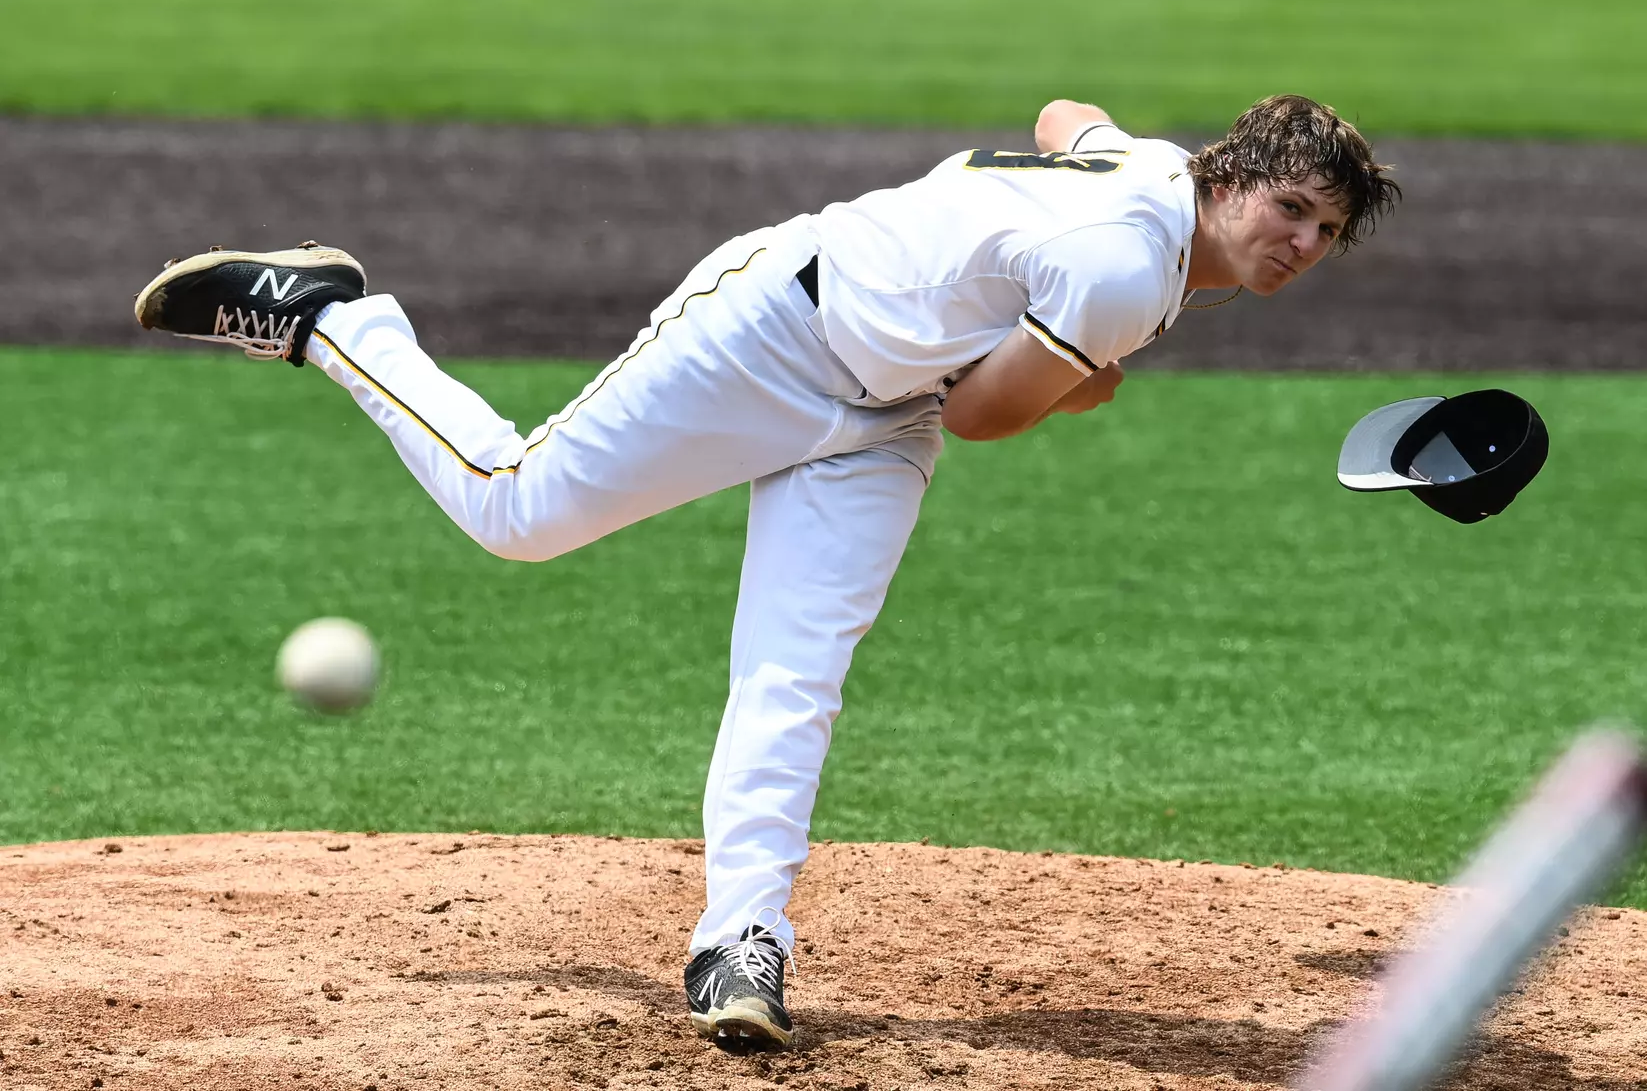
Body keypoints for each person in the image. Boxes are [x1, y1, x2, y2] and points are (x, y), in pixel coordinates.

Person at [134, 93, 1399, 1049]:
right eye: (1288, 209)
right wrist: (1089, 374)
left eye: (1326, 231)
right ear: (1231, 177)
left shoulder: (1147, 171)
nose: (1299, 242)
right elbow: (990, 417)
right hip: (767, 332)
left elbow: (1066, 112)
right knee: (515, 508)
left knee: (796, 669)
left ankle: (743, 941)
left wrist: (1043, 277)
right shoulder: (1126, 262)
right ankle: (335, 319)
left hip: (880, 408)